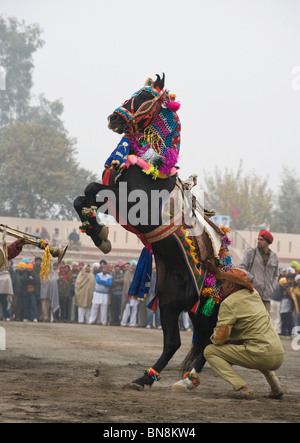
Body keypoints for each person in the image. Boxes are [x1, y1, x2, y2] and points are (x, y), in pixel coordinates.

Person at [203, 267, 284, 400]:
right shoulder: (255, 294)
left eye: (223, 282)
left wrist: (214, 338)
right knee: (256, 343)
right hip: (278, 354)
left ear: (231, 285)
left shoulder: (228, 303)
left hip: (262, 355)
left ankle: (242, 387)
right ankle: (275, 385)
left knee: (210, 351)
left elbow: (219, 338)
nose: (221, 286)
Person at [238, 230, 279, 312]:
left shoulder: (274, 257)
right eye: (258, 239)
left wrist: (272, 287)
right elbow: (241, 268)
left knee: (265, 323)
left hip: (266, 298)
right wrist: (251, 278)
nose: (259, 241)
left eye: (261, 240)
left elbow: (276, 275)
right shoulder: (250, 253)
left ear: (268, 242)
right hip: (251, 295)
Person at [120, 260, 139, 327]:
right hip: (129, 293)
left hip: (136, 294)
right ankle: (123, 322)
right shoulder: (128, 273)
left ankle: (132, 323)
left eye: (135, 266)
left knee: (134, 309)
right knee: (127, 308)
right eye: (133, 266)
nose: (134, 267)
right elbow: (127, 283)